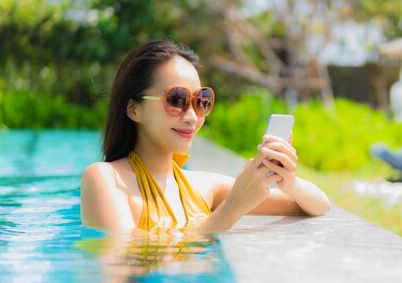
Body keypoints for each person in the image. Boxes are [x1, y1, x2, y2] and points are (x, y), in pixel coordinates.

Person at [81, 40, 330, 234]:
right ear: (134, 108)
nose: (191, 116)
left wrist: (290, 182)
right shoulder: (105, 178)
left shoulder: (203, 186)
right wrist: (232, 209)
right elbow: (123, 261)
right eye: (176, 100)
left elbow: (318, 206)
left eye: (201, 101)